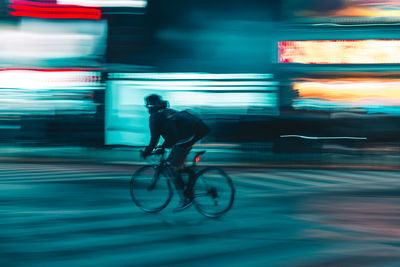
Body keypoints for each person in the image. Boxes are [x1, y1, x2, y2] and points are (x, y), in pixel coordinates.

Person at [141, 94, 210, 212]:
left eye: (147, 104)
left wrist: (147, 152)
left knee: (173, 167)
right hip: (193, 134)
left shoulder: (155, 116)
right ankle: (191, 178)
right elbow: (172, 134)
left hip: (185, 138)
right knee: (177, 163)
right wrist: (163, 147)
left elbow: (155, 138)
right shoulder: (166, 111)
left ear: (149, 105)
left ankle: (184, 199)